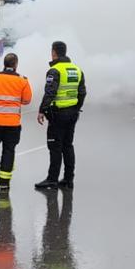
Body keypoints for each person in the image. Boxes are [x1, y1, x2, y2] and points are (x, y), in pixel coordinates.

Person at [36, 41, 87, 190]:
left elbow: (50, 92)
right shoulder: (77, 70)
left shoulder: (55, 70)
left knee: (55, 147)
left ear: (54, 52)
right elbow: (82, 93)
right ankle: (68, 179)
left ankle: (52, 179)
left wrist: (42, 110)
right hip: (72, 114)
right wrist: (76, 108)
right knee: (68, 146)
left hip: (58, 115)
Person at [0, 53, 33, 189]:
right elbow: (27, 100)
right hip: (13, 124)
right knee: (9, 151)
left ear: (4, 63)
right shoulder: (23, 80)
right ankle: (4, 183)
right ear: (16, 65)